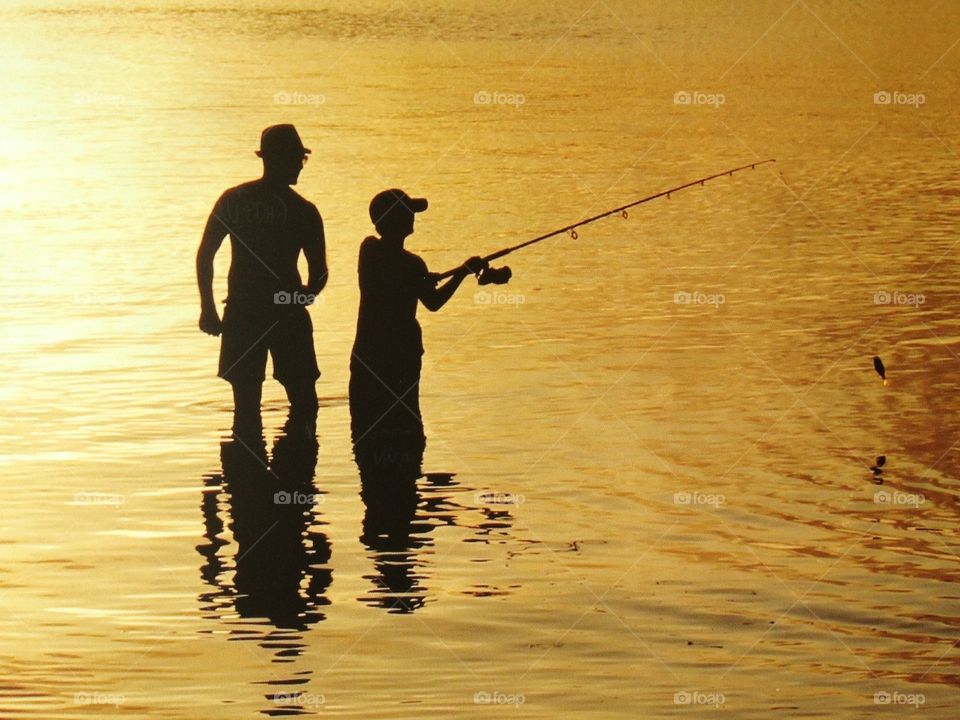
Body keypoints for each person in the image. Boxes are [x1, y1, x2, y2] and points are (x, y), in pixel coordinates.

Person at [196, 124, 328, 433]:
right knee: (304, 402)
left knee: (247, 407)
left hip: (246, 312)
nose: (300, 165)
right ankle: (297, 471)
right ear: (277, 159)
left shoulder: (233, 200)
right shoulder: (303, 210)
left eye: (302, 159)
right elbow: (319, 273)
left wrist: (209, 308)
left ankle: (246, 475)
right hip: (283, 314)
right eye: (297, 158)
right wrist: (301, 298)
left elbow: (205, 255)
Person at [349, 189, 485, 441]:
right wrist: (462, 273)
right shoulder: (412, 264)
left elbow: (393, 277)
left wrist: (423, 279)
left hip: (368, 354)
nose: (413, 217)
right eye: (408, 212)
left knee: (366, 425)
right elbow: (433, 303)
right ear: (396, 220)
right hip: (401, 356)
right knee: (406, 421)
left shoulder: (369, 250)